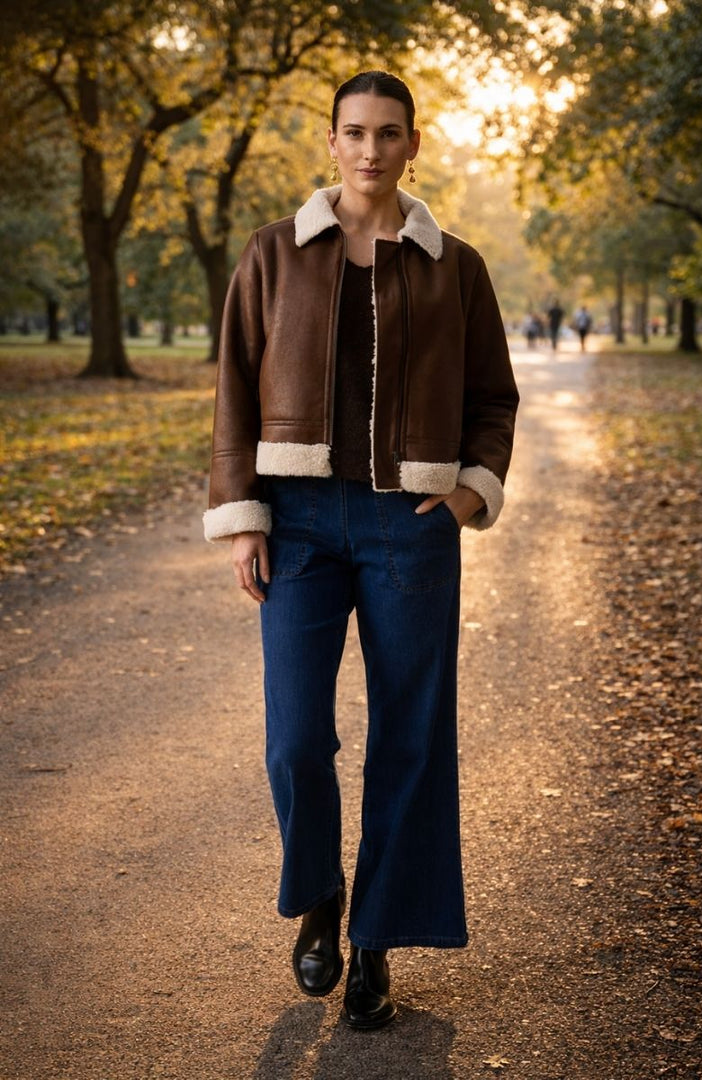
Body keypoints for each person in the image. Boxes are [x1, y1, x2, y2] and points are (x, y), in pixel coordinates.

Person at [203, 70, 519, 1030]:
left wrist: (472, 488)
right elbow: (232, 392)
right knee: (297, 736)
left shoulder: (453, 264)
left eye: (390, 134)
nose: (372, 150)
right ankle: (320, 903)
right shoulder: (271, 255)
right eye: (355, 133)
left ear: (414, 145)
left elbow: (493, 396)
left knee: (412, 737)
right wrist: (243, 514)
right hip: (299, 523)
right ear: (330, 142)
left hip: (408, 526)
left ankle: (377, 939)